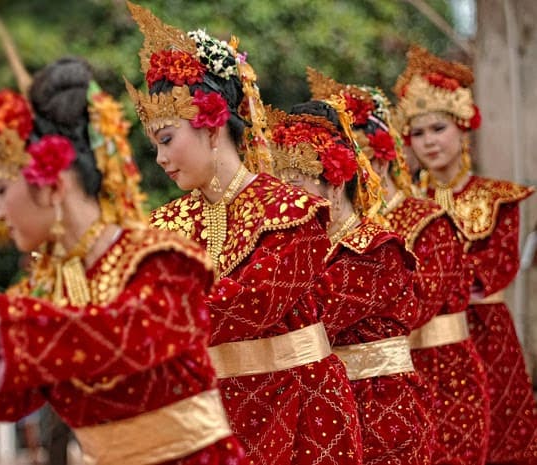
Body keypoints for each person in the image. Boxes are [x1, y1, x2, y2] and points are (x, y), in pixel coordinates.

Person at [0, 57, 247, 465]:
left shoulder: (163, 261)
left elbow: (117, 339)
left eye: (0, 190)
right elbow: (3, 399)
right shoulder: (46, 290)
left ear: (52, 187)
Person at [125, 3, 362, 464]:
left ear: (213, 125)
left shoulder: (294, 213)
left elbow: (250, 304)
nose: (159, 159)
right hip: (208, 419)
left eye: (168, 139)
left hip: (301, 419)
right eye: (153, 145)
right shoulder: (163, 226)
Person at [308, 67, 490, 465]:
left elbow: (414, 308)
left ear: (384, 158)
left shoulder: (427, 221)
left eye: (363, 160)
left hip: (439, 376)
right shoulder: (334, 230)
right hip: (358, 386)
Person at [269, 98, 433, 465]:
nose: (288, 200)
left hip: (380, 412)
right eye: (282, 186)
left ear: (336, 180)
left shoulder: (374, 250)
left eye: (296, 183)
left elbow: (310, 317)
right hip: (318, 411)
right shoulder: (304, 248)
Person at [394, 44, 537, 464]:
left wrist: (433, 278)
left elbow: (498, 268)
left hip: (485, 337)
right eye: (418, 134)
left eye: (438, 128)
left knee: (501, 444)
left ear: (462, 128)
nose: (429, 142)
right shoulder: (401, 206)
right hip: (419, 344)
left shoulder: (498, 198)